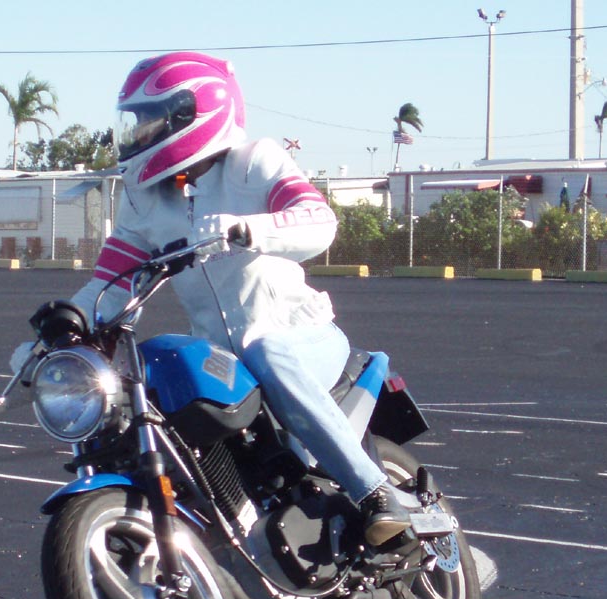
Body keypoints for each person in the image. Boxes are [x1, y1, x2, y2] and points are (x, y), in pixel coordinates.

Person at [41, 51, 410, 546]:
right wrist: (64, 330)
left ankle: (375, 493)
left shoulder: (254, 162)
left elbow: (319, 222)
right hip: (224, 356)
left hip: (300, 336)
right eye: (137, 120)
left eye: (152, 118)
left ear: (195, 112)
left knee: (269, 352)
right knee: (154, 381)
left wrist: (248, 229)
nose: (141, 132)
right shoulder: (143, 198)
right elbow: (111, 283)